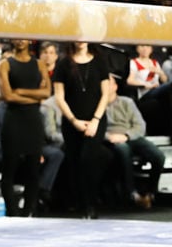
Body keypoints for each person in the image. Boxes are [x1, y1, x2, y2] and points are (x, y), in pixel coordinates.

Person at [53, 42, 110, 219]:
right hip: (72, 120)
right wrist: (73, 120)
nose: (81, 40)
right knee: (75, 162)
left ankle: (91, 204)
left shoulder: (100, 60)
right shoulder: (63, 63)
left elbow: (105, 94)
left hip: (96, 119)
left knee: (88, 159)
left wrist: (95, 120)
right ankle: (79, 203)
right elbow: (59, 97)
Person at [0, 39, 51, 216]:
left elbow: (46, 93)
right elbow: (8, 96)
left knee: (33, 169)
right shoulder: (4, 64)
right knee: (9, 168)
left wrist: (20, 91)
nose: (20, 40)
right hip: (13, 119)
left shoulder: (39, 64)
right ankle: (12, 212)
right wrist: (34, 98)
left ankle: (29, 211)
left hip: (33, 120)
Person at [104, 75, 165, 209]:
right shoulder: (96, 105)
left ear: (115, 87)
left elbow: (140, 125)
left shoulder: (127, 102)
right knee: (123, 150)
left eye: (109, 83)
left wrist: (127, 135)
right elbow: (95, 128)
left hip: (130, 135)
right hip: (111, 138)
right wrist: (109, 137)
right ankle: (132, 194)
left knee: (158, 156)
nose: (106, 85)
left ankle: (150, 192)